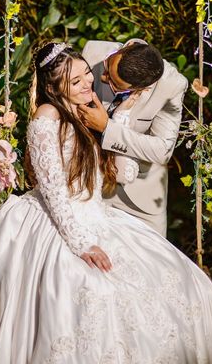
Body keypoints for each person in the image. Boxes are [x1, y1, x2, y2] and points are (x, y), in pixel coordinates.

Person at [0, 42, 212, 363]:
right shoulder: (47, 117)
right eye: (76, 80)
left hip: (96, 214)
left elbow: (126, 172)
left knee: (185, 285)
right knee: (95, 294)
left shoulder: (85, 112)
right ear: (52, 86)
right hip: (62, 220)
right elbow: (53, 190)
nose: (91, 81)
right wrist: (82, 244)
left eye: (86, 77)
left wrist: (112, 122)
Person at [79, 39, 187, 236]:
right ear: (126, 49)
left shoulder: (172, 85)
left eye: (113, 83)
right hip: (89, 187)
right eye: (107, 66)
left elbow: (162, 150)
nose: (102, 77)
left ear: (141, 89)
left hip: (141, 198)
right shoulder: (93, 52)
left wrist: (107, 128)